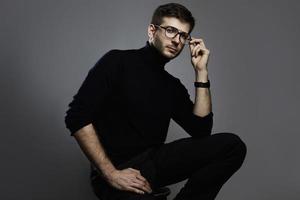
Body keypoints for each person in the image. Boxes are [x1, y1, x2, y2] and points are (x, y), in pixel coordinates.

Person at [64, 3, 247, 200]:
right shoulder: (118, 61)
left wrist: (201, 72)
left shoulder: (172, 86)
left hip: (153, 163)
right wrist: (110, 173)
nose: (177, 40)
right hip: (117, 169)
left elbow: (201, 130)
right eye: (170, 31)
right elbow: (77, 117)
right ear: (152, 31)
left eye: (183, 35)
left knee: (232, 146)